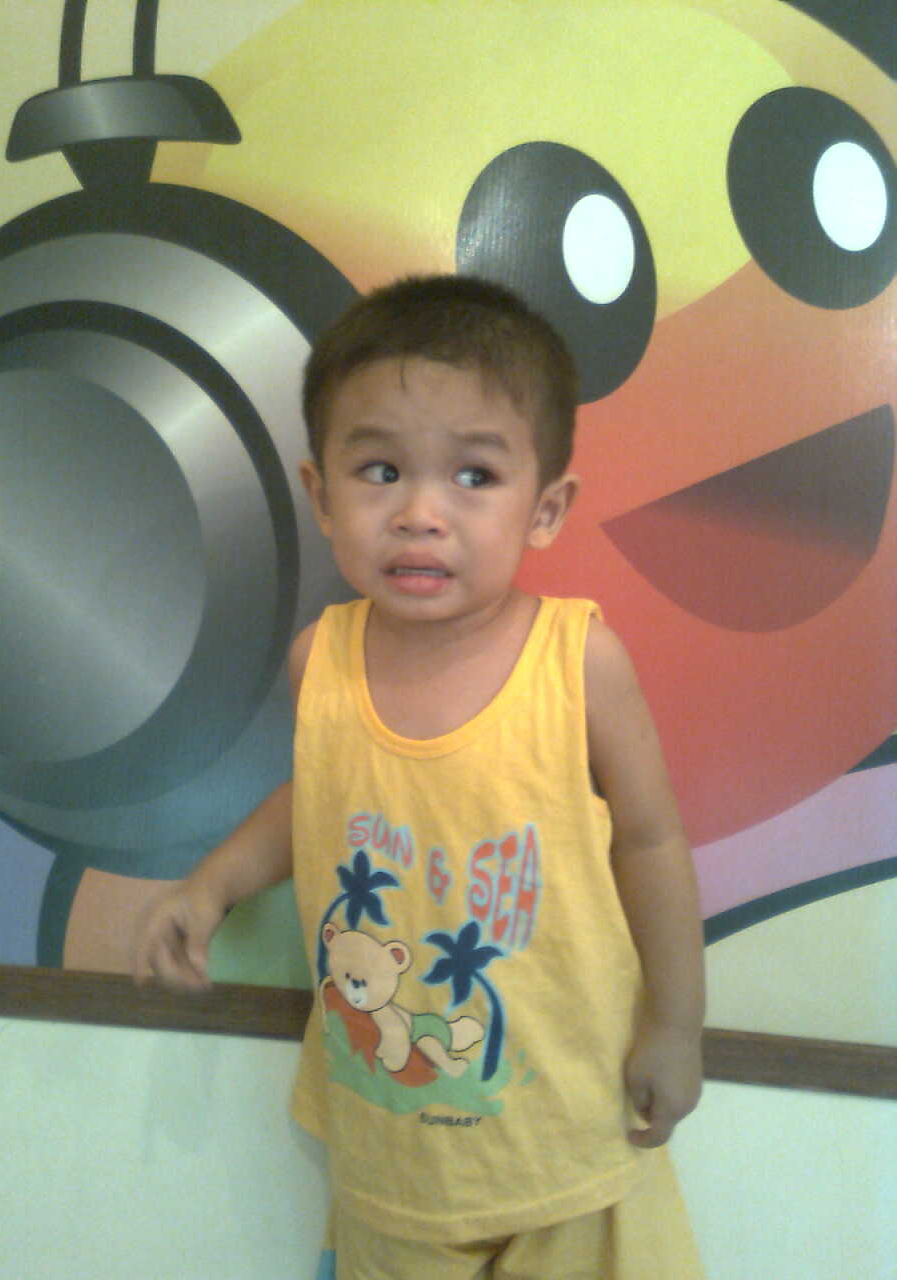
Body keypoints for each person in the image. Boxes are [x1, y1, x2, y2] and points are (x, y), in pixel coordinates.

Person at [134, 275, 706, 1279]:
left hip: (569, 1131)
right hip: (390, 1148)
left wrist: (676, 1024)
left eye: (475, 475)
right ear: (323, 495)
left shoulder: (579, 663)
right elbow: (321, 800)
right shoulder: (321, 660)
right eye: (381, 470)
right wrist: (210, 884)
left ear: (546, 507)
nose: (420, 513)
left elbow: (651, 841)